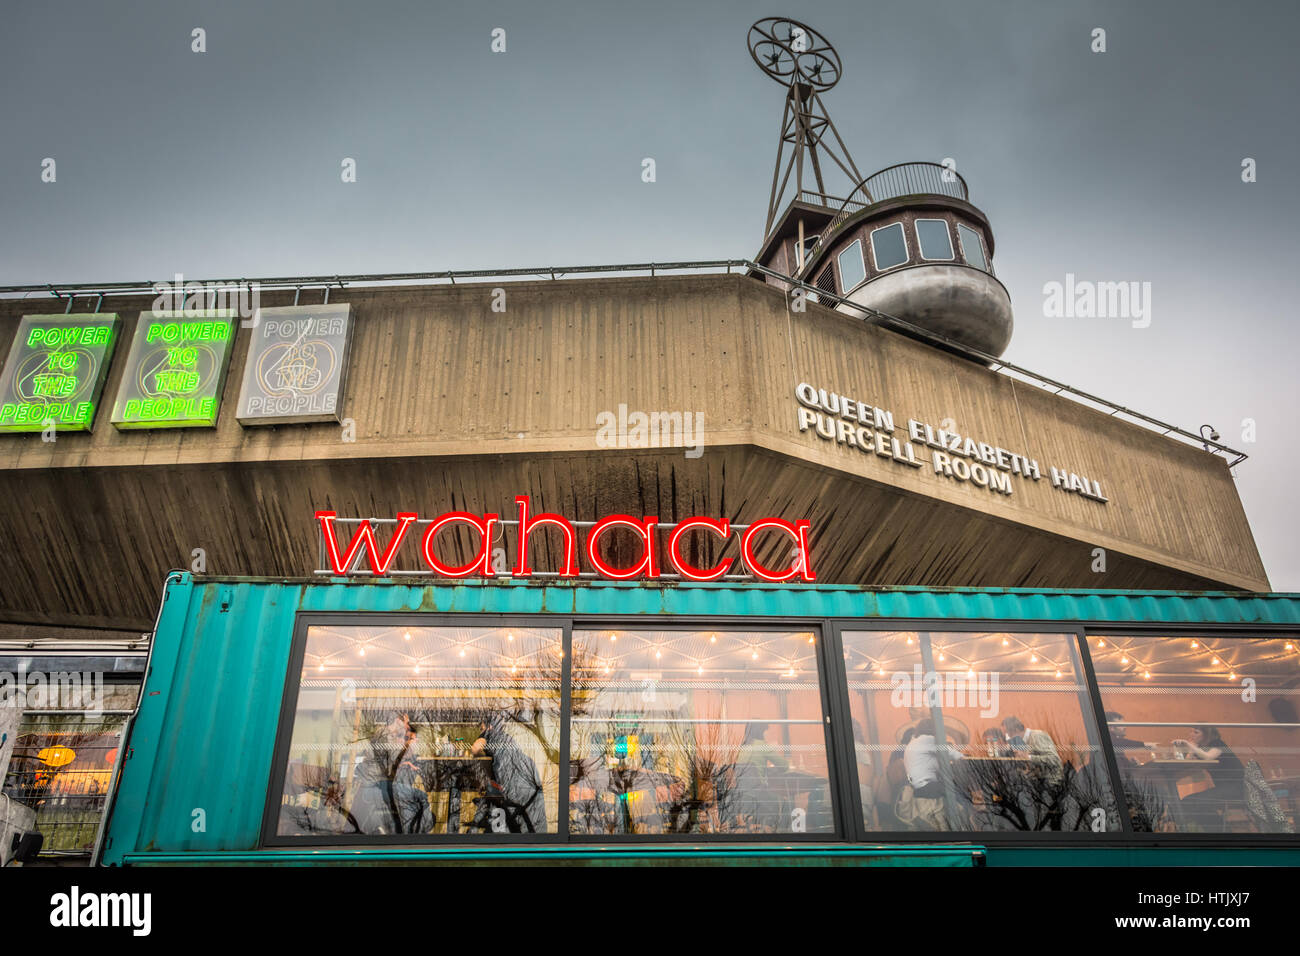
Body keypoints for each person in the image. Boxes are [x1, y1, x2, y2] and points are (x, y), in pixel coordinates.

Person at [471, 716, 547, 833]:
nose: (481, 732)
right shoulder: (514, 749)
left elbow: (476, 748)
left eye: (482, 728)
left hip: (513, 800)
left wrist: (478, 751)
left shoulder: (493, 737)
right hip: (531, 811)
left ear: (490, 727)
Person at [1171, 725, 1245, 830]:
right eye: (1190, 732)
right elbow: (1187, 764)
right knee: (1189, 801)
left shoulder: (1218, 744)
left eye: (1196, 732)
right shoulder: (1202, 749)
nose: (1191, 735)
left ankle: (1221, 833)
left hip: (1237, 787)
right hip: (1223, 788)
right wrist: (1192, 747)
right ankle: (1219, 831)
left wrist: (1189, 744)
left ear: (1206, 735)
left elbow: (1208, 757)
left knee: (1197, 802)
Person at [895, 718, 963, 830]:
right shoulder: (927, 740)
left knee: (956, 793)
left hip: (919, 788)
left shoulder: (914, 743)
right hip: (928, 788)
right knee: (962, 795)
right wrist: (967, 758)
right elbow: (955, 755)